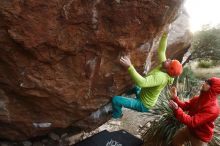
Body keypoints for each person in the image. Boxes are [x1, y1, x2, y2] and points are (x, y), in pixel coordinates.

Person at [111, 32, 183, 120]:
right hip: (142, 94)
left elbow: (142, 82)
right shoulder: (165, 67)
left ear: (169, 69)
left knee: (116, 99)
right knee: (133, 87)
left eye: (170, 62)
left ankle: (117, 115)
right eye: (170, 60)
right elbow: (161, 51)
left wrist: (129, 66)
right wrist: (165, 34)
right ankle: (126, 99)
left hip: (143, 104)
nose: (168, 59)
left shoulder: (161, 77)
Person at [169, 77, 220, 146]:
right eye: (206, 81)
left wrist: (177, 110)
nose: (204, 83)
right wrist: (175, 98)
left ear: (213, 89)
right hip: (190, 130)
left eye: (208, 83)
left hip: (200, 137)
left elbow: (192, 122)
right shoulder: (198, 99)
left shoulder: (212, 109)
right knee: (176, 141)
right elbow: (184, 106)